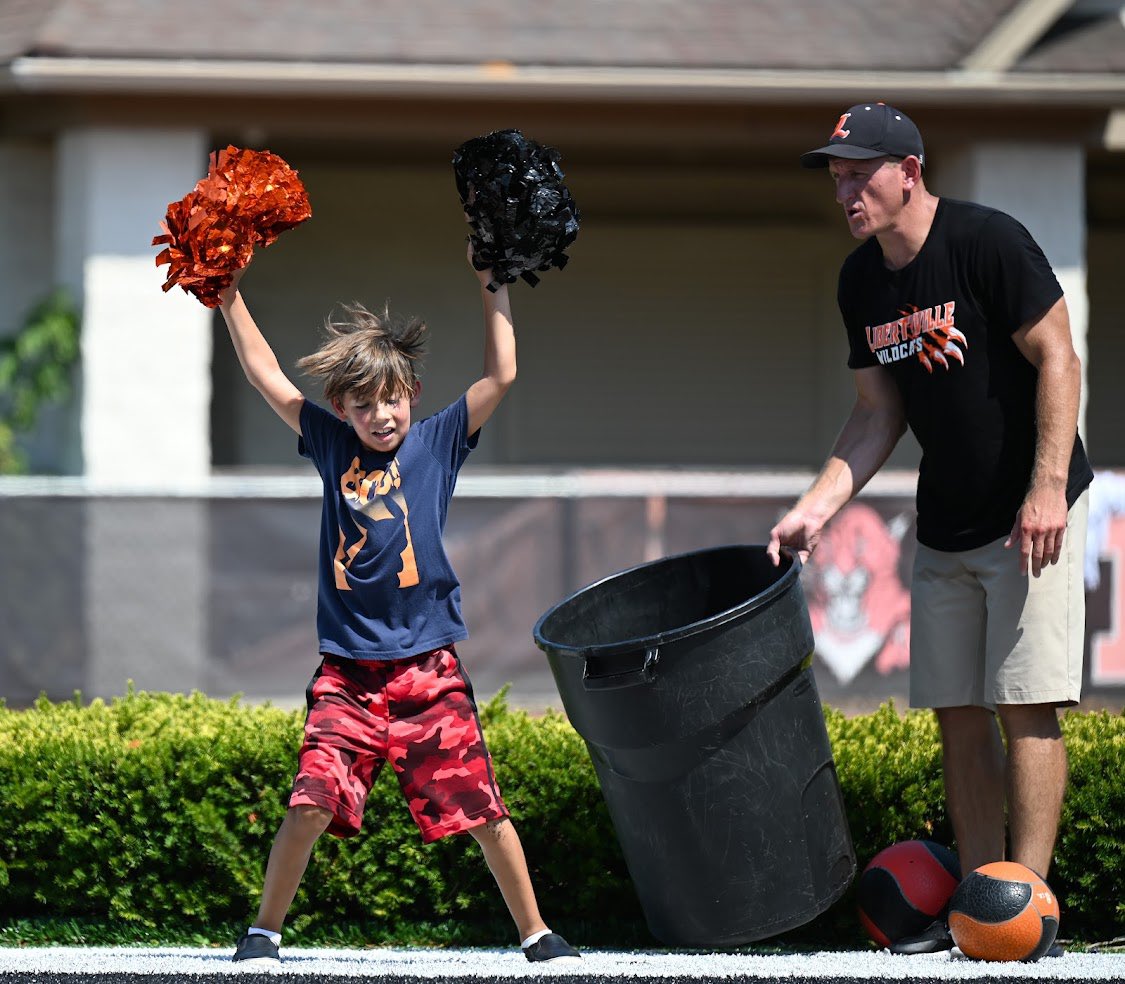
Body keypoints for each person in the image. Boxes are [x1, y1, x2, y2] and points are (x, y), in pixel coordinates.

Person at [767, 103, 1093, 954]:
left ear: (907, 170)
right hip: (944, 525)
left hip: (1032, 514)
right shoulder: (861, 282)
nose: (844, 188)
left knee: (1026, 707)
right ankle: (982, 909)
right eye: (835, 174)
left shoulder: (987, 242)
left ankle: (1031, 911)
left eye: (858, 171)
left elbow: (1059, 356)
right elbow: (877, 413)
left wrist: (1047, 487)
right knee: (956, 713)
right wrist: (816, 506)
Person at [218, 249, 580, 968]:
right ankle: (263, 932)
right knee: (310, 803)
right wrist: (227, 295)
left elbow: (501, 374)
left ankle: (537, 934)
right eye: (362, 405)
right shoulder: (327, 446)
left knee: (480, 806)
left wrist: (492, 282)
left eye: (392, 400)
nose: (381, 416)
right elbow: (266, 374)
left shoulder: (438, 440)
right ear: (339, 412)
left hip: (427, 670)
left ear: (411, 392)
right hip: (348, 674)